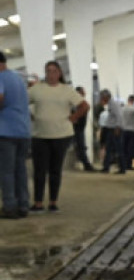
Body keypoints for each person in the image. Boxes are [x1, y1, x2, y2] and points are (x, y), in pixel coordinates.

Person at [27, 60, 89, 212]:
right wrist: (31, 116)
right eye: (48, 71)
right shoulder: (36, 89)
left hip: (61, 135)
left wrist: (74, 117)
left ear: (59, 73)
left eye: (54, 71)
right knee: (39, 170)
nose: (51, 74)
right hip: (40, 135)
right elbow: (22, 102)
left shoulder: (67, 90)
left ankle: (53, 202)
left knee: (55, 170)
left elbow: (84, 105)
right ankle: (38, 202)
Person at [0, 52, 31, 218]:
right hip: (23, 131)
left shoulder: (0, 78)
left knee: (6, 171)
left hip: (6, 131)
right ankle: (23, 204)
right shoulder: (18, 79)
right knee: (20, 170)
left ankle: (10, 206)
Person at [98, 89, 124, 173]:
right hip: (110, 129)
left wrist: (118, 127)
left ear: (106, 97)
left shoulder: (114, 104)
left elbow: (119, 116)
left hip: (115, 129)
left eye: (102, 97)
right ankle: (106, 167)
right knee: (108, 149)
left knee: (119, 149)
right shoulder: (110, 104)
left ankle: (122, 168)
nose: (101, 99)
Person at [71, 85, 95, 171]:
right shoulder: (75, 103)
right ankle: (87, 165)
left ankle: (86, 164)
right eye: (83, 91)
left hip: (79, 128)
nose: (85, 93)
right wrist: (74, 118)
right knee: (81, 147)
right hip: (77, 129)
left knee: (81, 147)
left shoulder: (79, 103)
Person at [120, 95, 134, 171]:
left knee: (124, 148)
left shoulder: (122, 108)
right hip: (132, 130)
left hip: (124, 130)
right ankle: (129, 165)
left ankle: (123, 164)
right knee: (131, 149)